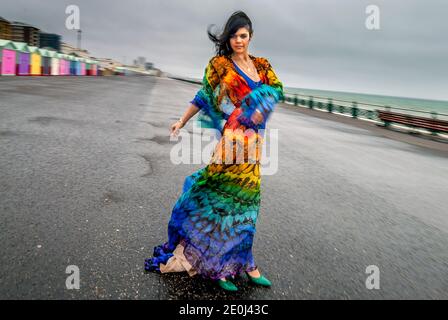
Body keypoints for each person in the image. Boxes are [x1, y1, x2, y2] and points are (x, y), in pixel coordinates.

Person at [144, 11, 284, 292]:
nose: (238, 40)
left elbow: (277, 90)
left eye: (242, 35)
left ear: (250, 36)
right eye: (233, 35)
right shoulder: (221, 66)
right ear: (228, 38)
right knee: (222, 205)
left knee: (247, 205)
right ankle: (217, 267)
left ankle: (247, 264)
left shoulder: (263, 65)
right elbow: (203, 96)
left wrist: (260, 106)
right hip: (231, 143)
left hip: (254, 147)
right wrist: (181, 121)